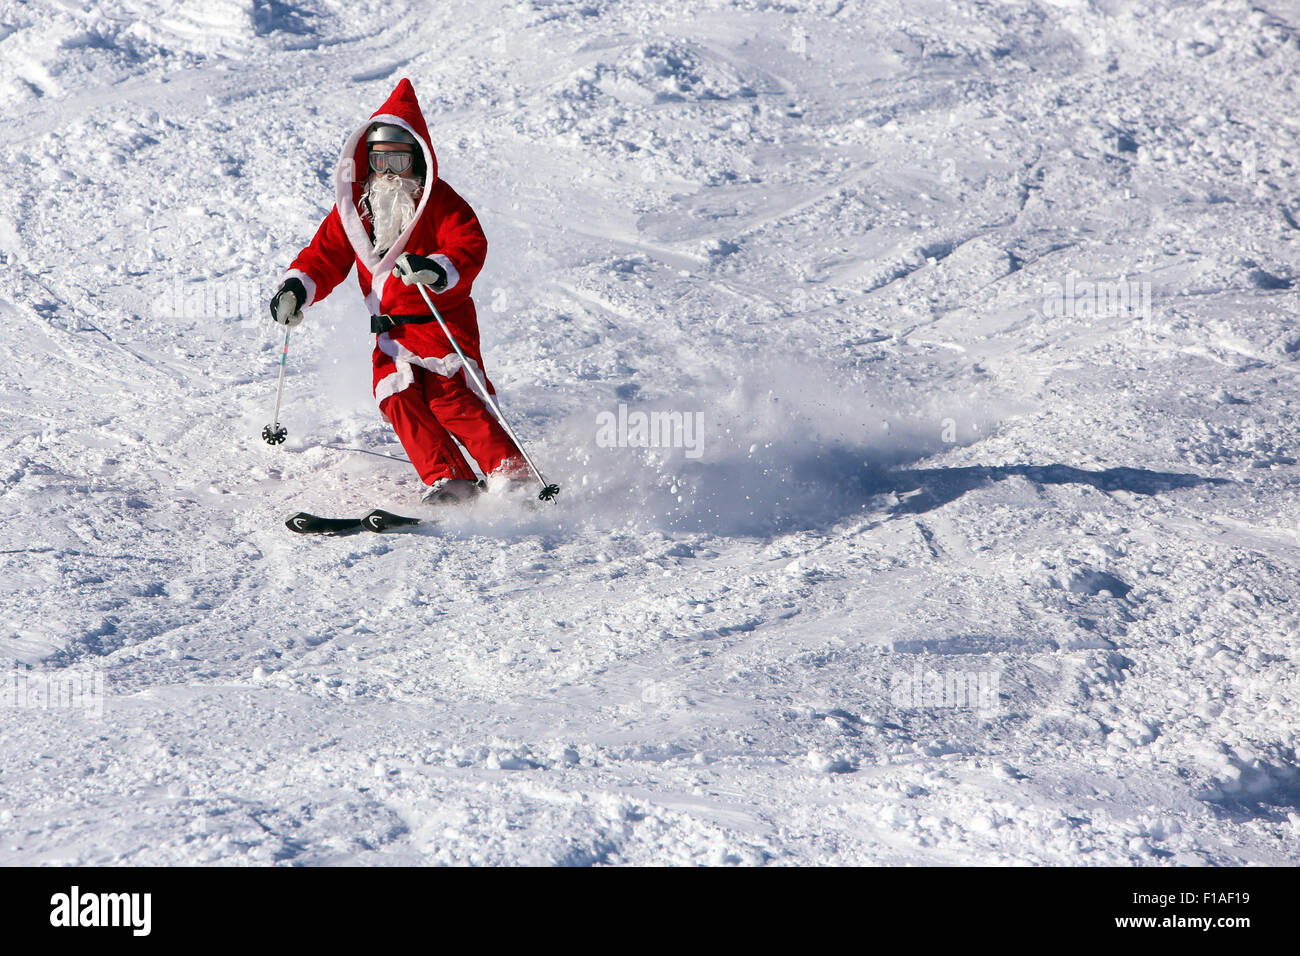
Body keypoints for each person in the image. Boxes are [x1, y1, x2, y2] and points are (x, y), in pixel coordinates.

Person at [269, 78, 526, 504]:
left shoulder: (441, 202)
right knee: (398, 398)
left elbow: (469, 244)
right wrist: (299, 286)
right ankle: (449, 479)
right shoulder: (357, 210)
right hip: (389, 333)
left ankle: (511, 473)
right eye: (379, 160)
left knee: (450, 399)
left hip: (441, 324)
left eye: (400, 162)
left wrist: (435, 269)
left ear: (419, 162)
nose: (388, 173)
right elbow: (324, 254)